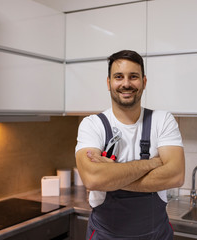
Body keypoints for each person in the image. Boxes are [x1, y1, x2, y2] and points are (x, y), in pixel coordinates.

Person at [75, 50, 185, 239]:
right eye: (119, 77)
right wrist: (152, 163)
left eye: (133, 76)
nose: (126, 83)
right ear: (109, 83)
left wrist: (111, 176)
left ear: (144, 81)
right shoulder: (92, 124)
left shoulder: (162, 120)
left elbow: (176, 175)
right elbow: (93, 179)